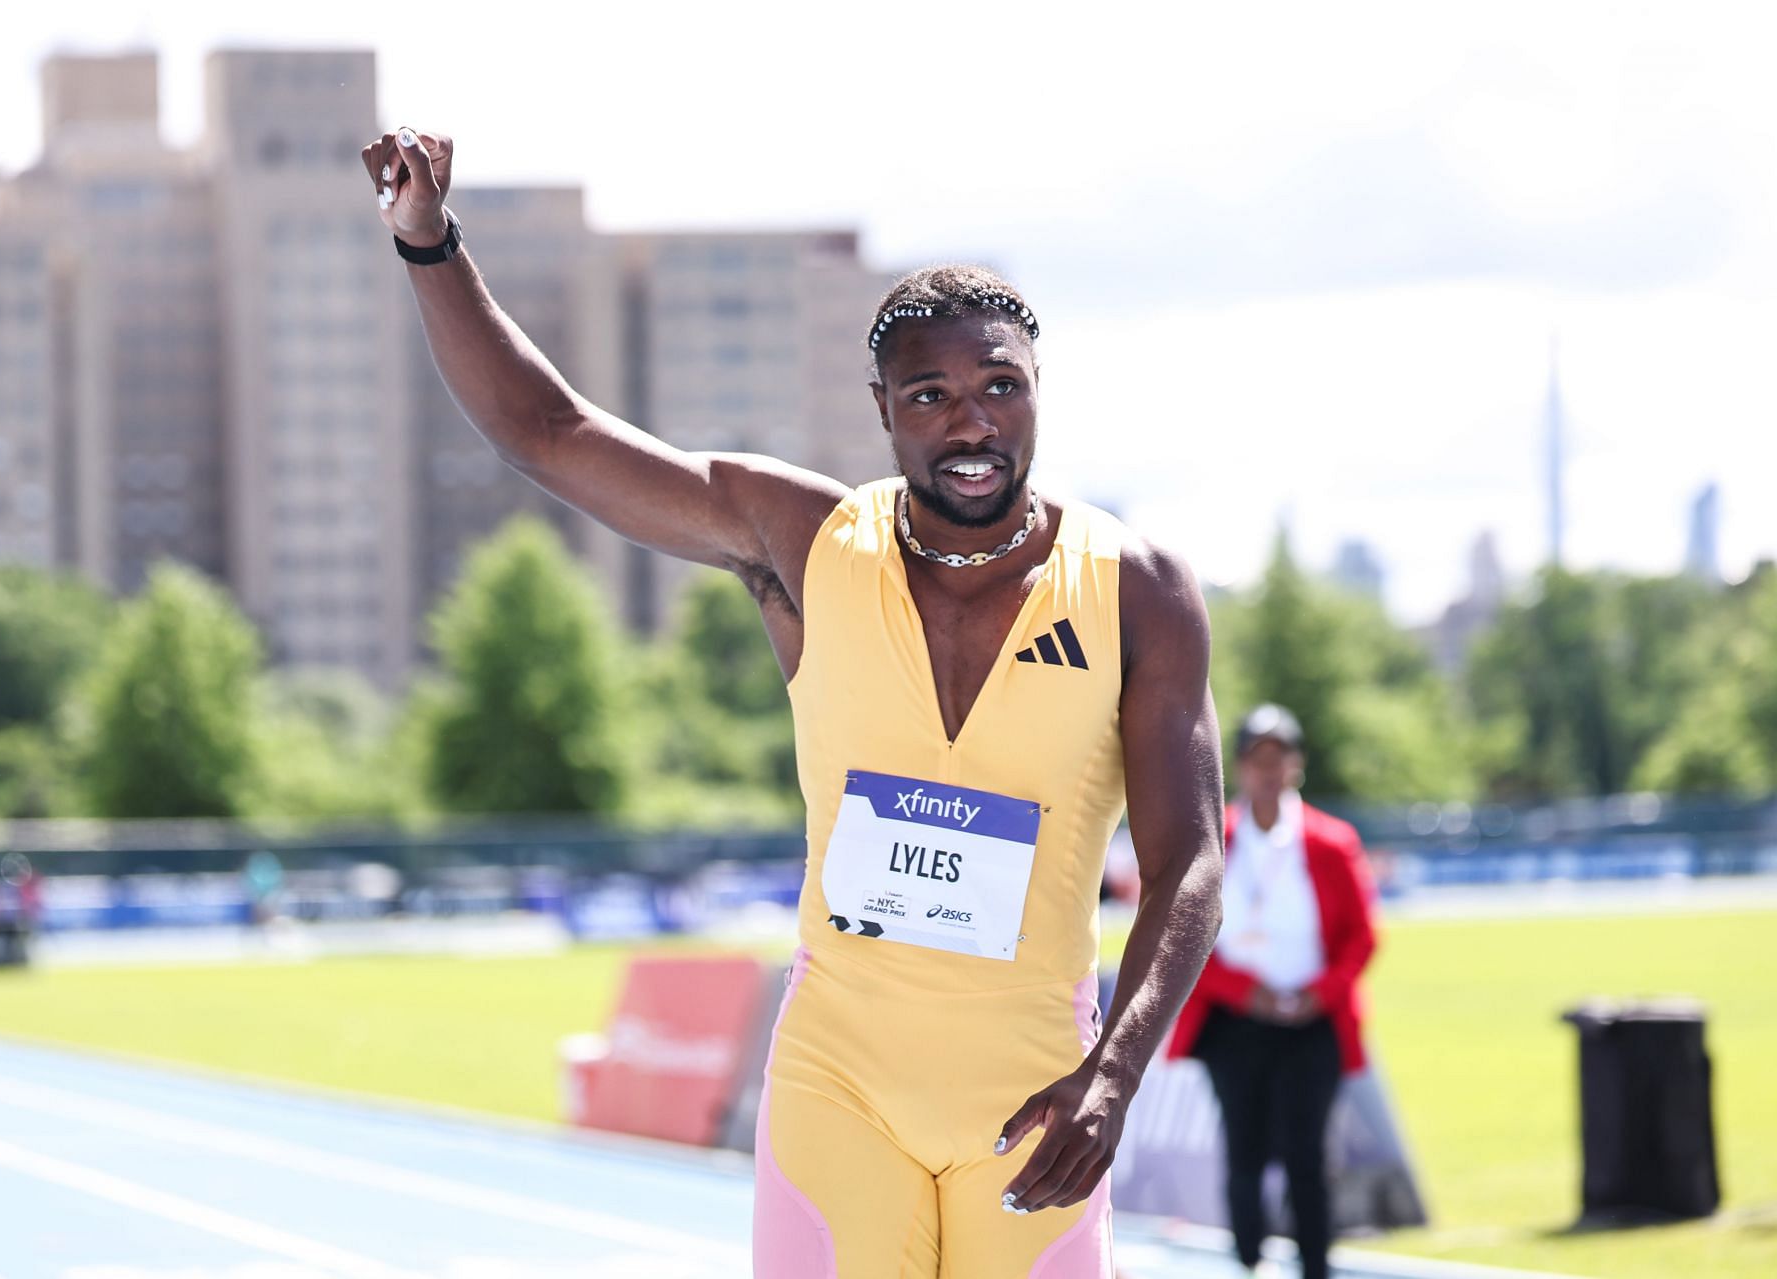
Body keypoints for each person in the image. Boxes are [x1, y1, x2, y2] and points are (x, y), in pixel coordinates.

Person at [364, 127, 1226, 1277]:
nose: (971, 422)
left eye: (999, 387)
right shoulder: (806, 544)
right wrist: (431, 245)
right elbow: (550, 433)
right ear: (883, 409)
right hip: (839, 1086)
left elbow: (1190, 864)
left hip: (1033, 1092)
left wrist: (1113, 1073)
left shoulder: (1138, 591)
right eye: (932, 394)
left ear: (1035, 393)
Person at [1165, 704, 1378, 1279]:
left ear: (1296, 765)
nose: (1268, 771)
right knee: (1244, 1152)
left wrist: (1321, 993)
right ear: (1238, 766)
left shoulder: (1331, 842)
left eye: (1278, 758)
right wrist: (1245, 993)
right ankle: (1249, 1263)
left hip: (1312, 1023)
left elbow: (1361, 937)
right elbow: (1184, 935)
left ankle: (1315, 1266)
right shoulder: (1213, 838)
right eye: (1256, 759)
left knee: (1309, 1155)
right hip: (1236, 1025)